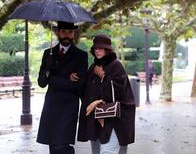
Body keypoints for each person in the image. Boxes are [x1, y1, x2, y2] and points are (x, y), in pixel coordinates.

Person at [77, 34, 136, 154]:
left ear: (107, 49)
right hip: (95, 118)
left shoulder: (116, 66)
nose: (97, 50)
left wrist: (103, 76)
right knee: (97, 151)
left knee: (109, 150)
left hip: (113, 120)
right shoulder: (94, 66)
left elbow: (118, 91)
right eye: (95, 48)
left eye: (101, 48)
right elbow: (86, 91)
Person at [37, 21, 88, 154]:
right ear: (58, 32)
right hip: (51, 106)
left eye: (70, 32)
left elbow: (78, 84)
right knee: (53, 146)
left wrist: (53, 79)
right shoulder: (48, 54)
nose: (67, 35)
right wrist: (49, 69)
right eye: (64, 32)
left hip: (68, 107)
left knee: (63, 146)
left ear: (73, 34)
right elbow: (42, 82)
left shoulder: (81, 55)